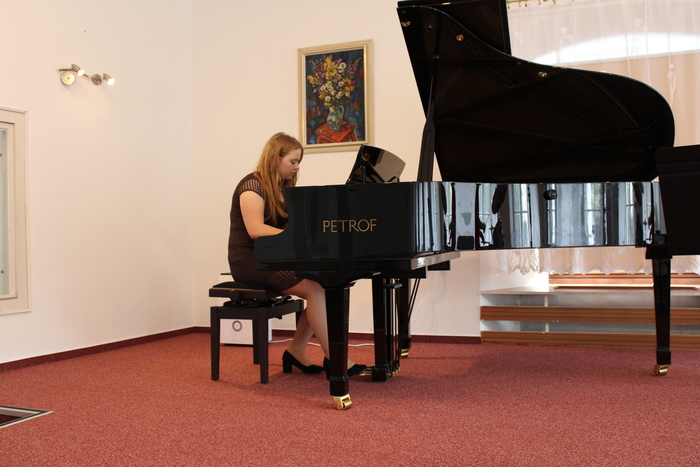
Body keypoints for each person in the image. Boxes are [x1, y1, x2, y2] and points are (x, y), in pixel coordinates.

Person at [228, 132, 366, 377]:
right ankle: (336, 359)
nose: (297, 166)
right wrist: (300, 238)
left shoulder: (282, 189)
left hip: (272, 257)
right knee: (316, 288)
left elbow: (292, 227)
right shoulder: (251, 186)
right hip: (249, 260)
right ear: (275, 158)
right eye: (293, 161)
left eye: (298, 161)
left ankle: (295, 351)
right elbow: (255, 230)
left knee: (324, 284)